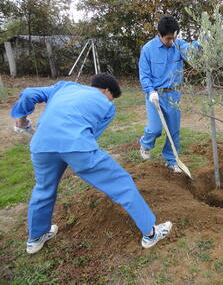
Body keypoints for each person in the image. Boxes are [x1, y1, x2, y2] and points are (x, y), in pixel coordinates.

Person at [10, 73, 172, 254]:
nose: (111, 101)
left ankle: (35, 239)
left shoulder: (63, 87)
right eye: (112, 97)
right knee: (122, 184)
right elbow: (92, 135)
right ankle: (151, 234)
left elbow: (28, 94)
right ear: (107, 91)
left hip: (41, 146)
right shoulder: (108, 107)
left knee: (43, 189)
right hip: (77, 146)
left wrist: (21, 121)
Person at [138, 15, 199, 173]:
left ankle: (171, 160)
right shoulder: (148, 49)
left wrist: (202, 42)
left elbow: (192, 52)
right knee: (155, 129)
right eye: (168, 38)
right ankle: (145, 144)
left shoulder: (178, 45)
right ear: (160, 34)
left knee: (173, 130)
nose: (171, 41)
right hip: (155, 95)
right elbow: (144, 75)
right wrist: (150, 91)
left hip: (173, 95)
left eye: (174, 37)